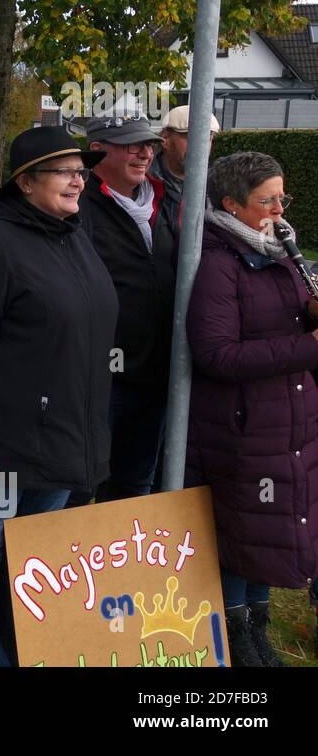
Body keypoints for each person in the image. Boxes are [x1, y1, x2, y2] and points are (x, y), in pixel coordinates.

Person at [0, 126, 117, 667]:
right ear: (25, 182)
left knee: (35, 558)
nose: (78, 182)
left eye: (81, 172)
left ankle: (27, 651)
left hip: (64, 438)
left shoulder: (76, 235)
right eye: (65, 172)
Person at [186, 151, 318, 667]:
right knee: (240, 528)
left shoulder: (278, 249)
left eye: (283, 197)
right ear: (231, 205)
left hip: (286, 418)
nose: (280, 210)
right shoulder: (220, 262)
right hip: (239, 423)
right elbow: (217, 353)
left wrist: (306, 312)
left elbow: (285, 322)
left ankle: (259, 627)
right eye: (267, 201)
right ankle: (236, 631)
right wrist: (310, 345)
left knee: (273, 524)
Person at [78, 111, 179, 502]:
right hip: (99, 377)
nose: (144, 153)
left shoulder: (167, 200)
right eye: (131, 144)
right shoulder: (76, 205)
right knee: (80, 486)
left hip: (156, 375)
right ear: (97, 150)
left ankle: (126, 563)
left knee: (136, 484)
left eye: (149, 144)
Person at [153, 104, 220, 222]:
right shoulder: (142, 182)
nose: (200, 146)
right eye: (191, 137)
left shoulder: (218, 186)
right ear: (165, 139)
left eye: (208, 138)